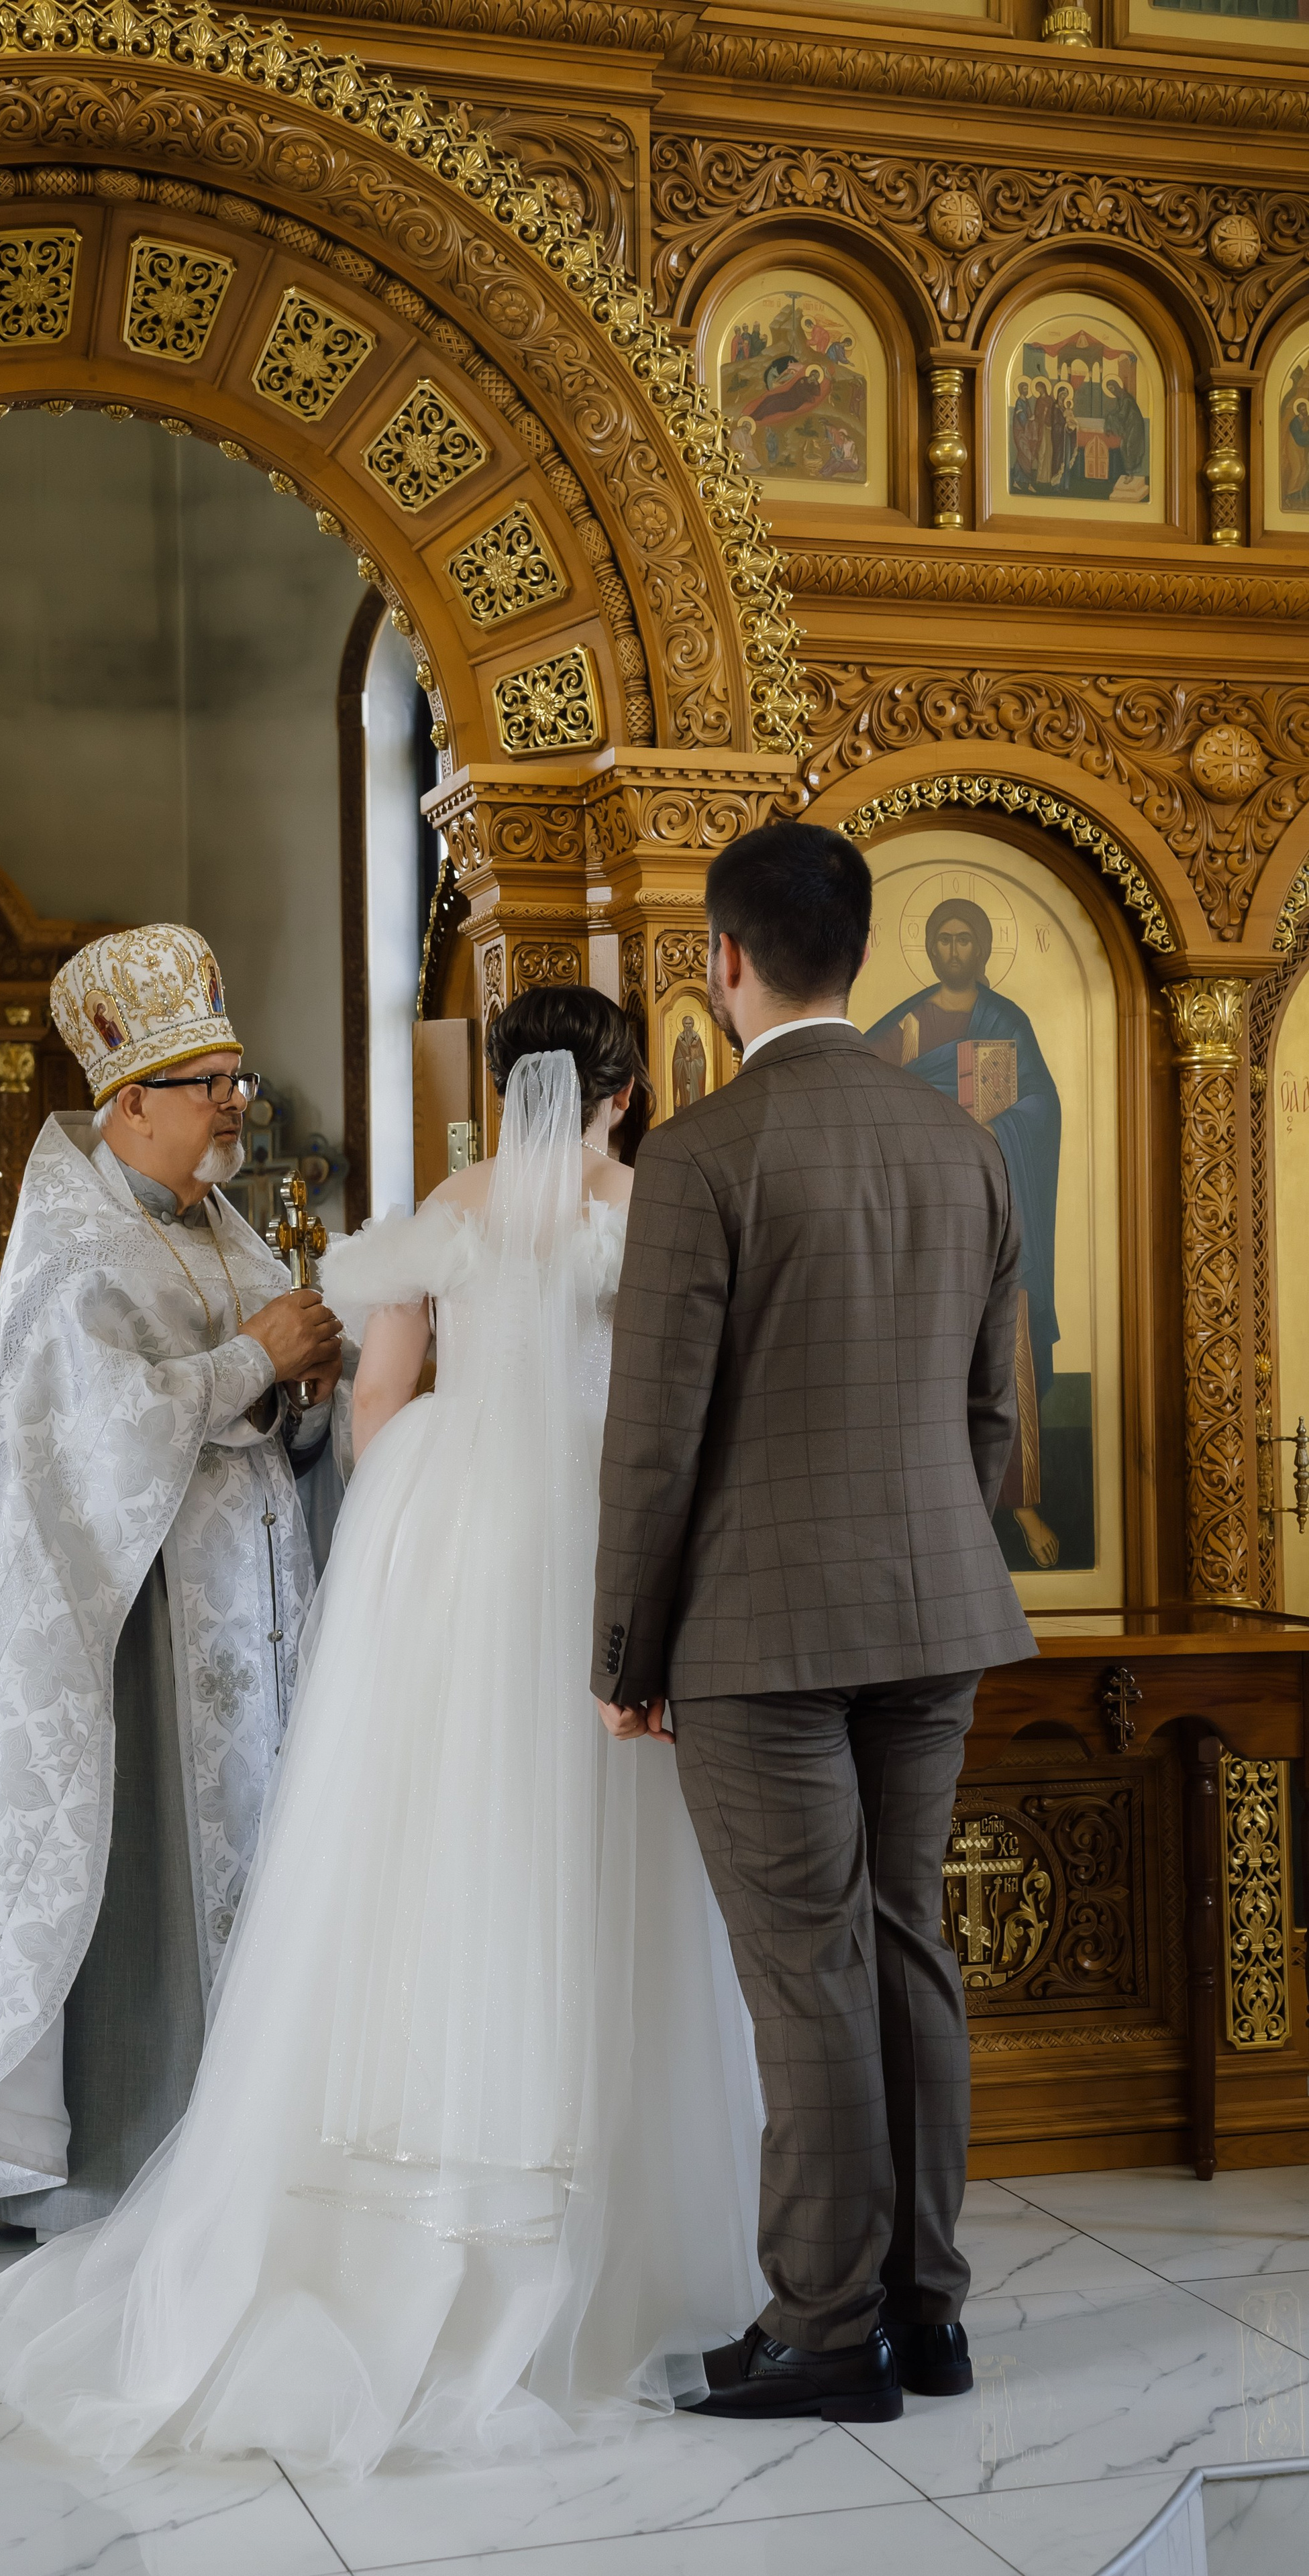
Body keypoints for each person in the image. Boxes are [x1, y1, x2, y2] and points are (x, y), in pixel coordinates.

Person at [0, 987, 767, 2477]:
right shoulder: (658, 1212)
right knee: (608, 1857)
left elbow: (381, 1407)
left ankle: (427, 2166)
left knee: (442, 1855)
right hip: (616, 1541)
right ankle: (619, 2223)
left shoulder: (443, 1218)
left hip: (461, 1550)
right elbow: (696, 1413)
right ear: (620, 1095)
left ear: (504, 1082)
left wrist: (436, 1517)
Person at [592, 820, 1034, 2426]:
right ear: (860, 951)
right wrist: (933, 1556)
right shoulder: (964, 1144)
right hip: (934, 1610)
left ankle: (821, 2331)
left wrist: (624, 1653)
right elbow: (991, 1414)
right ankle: (926, 2314)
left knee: (806, 1971)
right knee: (903, 1940)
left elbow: (654, 1440)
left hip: (757, 1634)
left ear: (722, 961)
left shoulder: (701, 1153)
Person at [0, 924, 344, 2237]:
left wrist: (305, 1388)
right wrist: (256, 1361)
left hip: (250, 1615)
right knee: (146, 1884)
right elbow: (94, 1438)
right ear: (131, 1100)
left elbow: (274, 1416)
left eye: (236, 1079)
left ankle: (250, 2146)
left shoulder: (224, 1228)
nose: (234, 1105)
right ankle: (125, 2160)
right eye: (208, 1084)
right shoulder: (74, 1248)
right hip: (133, 1634)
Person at [866, 898, 1063, 1570]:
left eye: (964, 939)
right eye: (943, 940)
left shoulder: (1007, 1022)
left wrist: (995, 1128)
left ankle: (1021, 1503)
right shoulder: (909, 1022)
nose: (954, 950)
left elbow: (1042, 1107)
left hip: (999, 1208)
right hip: (928, 1212)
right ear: (930, 948)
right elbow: (865, 1090)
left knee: (1010, 1355)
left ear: (981, 946)